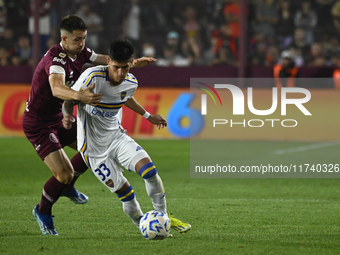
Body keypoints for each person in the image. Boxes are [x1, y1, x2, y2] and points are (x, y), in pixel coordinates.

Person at [22, 14, 155, 236]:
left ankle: (67, 187)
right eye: (76, 39)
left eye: (83, 38)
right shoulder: (56, 60)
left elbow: (106, 59)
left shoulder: (80, 51)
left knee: (91, 150)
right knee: (64, 174)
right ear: (64, 40)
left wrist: (132, 63)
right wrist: (79, 96)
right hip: (39, 123)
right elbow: (56, 88)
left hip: (58, 117)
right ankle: (43, 210)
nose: (82, 43)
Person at [62, 39, 191, 236]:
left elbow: (125, 96)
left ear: (131, 63)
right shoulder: (92, 77)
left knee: (150, 172)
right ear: (108, 63)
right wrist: (68, 114)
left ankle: (162, 217)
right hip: (94, 151)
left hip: (117, 138)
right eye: (116, 68)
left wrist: (148, 116)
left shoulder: (131, 82)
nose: (121, 73)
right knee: (127, 196)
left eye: (125, 68)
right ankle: (144, 226)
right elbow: (68, 99)